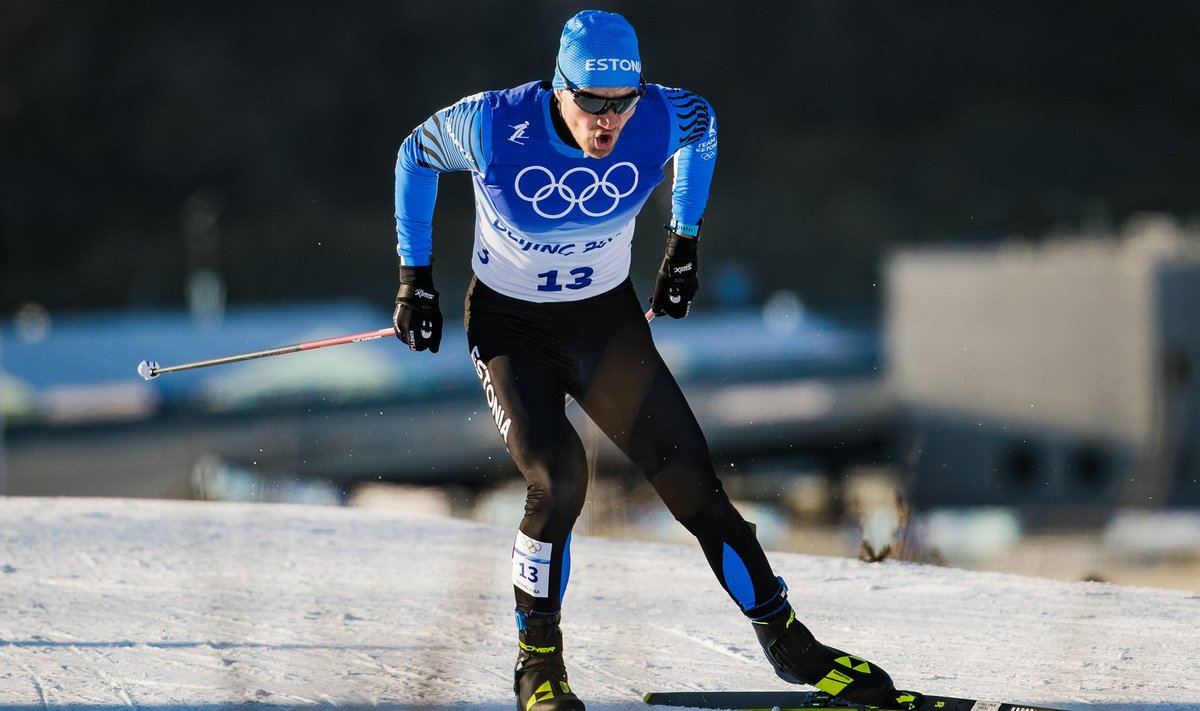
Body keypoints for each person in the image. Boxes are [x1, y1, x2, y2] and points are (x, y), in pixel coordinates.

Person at [390, 10, 915, 711]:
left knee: (694, 484)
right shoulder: (493, 125)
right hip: (512, 329)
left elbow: (705, 129)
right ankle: (537, 667)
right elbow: (413, 156)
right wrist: (413, 276)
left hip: (603, 324)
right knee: (561, 478)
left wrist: (684, 241)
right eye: (590, 103)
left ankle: (790, 644)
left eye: (621, 102)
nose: (607, 121)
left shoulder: (663, 114)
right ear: (558, 89)